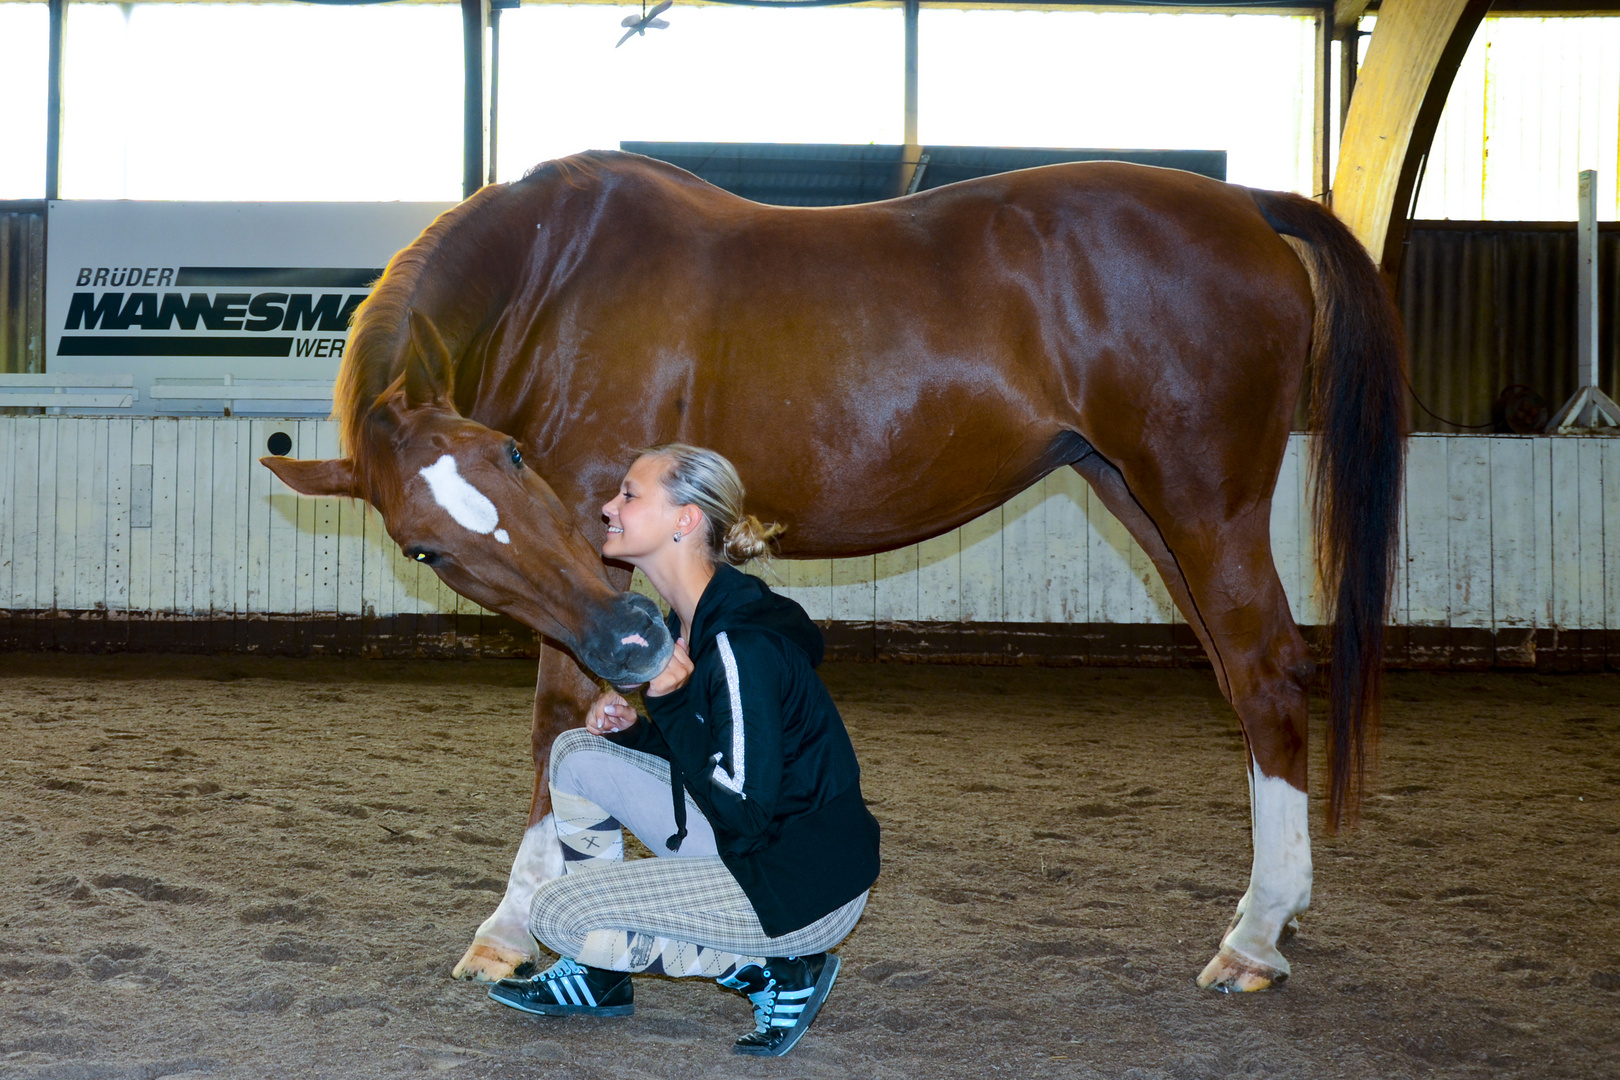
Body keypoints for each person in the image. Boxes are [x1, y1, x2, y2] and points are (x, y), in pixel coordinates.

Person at [487, 443, 881, 1058]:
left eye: (629, 494)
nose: (607, 506)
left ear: (685, 519)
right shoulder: (684, 625)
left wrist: (667, 703)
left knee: (559, 917)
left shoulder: (738, 647)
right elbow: (716, 765)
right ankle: (601, 978)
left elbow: (744, 809)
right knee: (576, 755)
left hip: (802, 887)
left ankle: (777, 969)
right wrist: (637, 733)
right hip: (758, 843)